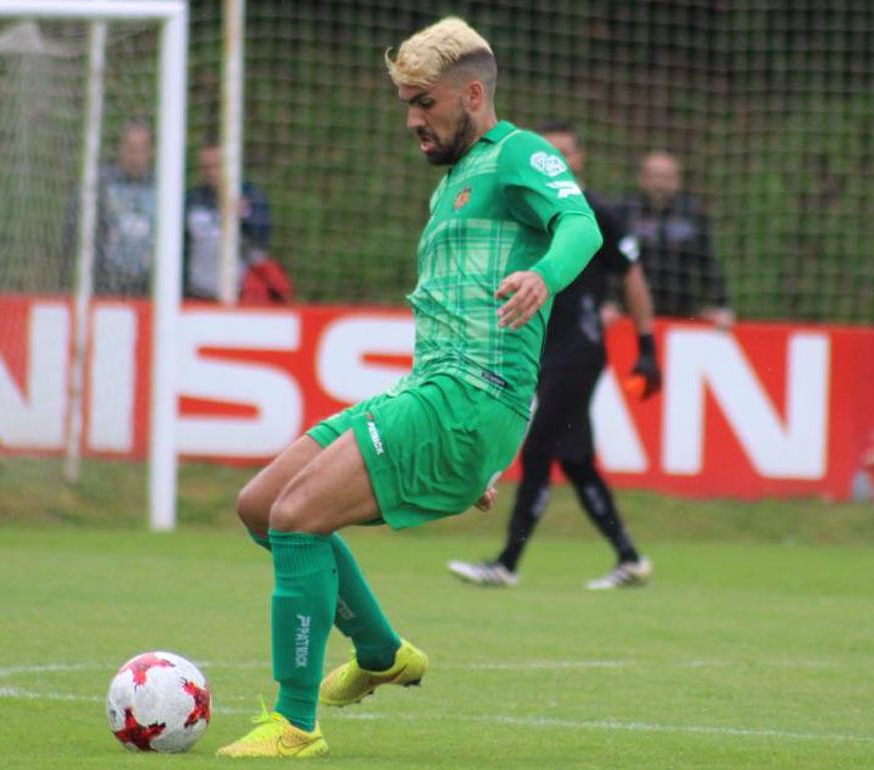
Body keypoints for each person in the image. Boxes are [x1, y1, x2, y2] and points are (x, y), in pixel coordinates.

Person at [216, 17, 603, 758]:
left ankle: (294, 726)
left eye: (424, 102)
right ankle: (382, 653)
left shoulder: (517, 153)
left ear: (474, 94)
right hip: (438, 394)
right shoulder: (455, 182)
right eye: (406, 104)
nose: (412, 120)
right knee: (262, 508)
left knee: (299, 519)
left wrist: (542, 275)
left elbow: (579, 223)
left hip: (469, 397)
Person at [446, 121, 660, 591]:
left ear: (579, 159)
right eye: (550, 152)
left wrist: (647, 346)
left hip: (578, 351)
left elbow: (632, 277)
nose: (559, 159)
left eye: (566, 151)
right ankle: (630, 558)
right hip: (542, 349)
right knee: (577, 458)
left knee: (540, 449)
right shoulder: (526, 210)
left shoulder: (595, 213)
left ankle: (506, 563)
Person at [617, 150, 734, 328]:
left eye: (666, 177)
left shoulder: (692, 214)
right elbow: (610, 262)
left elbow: (708, 264)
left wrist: (721, 305)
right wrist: (609, 301)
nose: (659, 184)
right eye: (654, 176)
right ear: (642, 178)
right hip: (631, 315)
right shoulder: (626, 212)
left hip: (681, 314)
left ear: (677, 180)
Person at [62, 121, 155, 297]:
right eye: (130, 149)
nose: (135, 157)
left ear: (150, 152)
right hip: (106, 285)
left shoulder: (162, 189)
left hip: (147, 287)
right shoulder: (99, 184)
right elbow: (71, 230)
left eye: (141, 149)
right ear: (120, 150)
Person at [184, 142, 276, 301]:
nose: (211, 172)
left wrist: (245, 214)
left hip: (240, 294)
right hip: (197, 293)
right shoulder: (192, 200)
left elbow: (263, 238)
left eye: (216, 166)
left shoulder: (251, 197)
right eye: (206, 167)